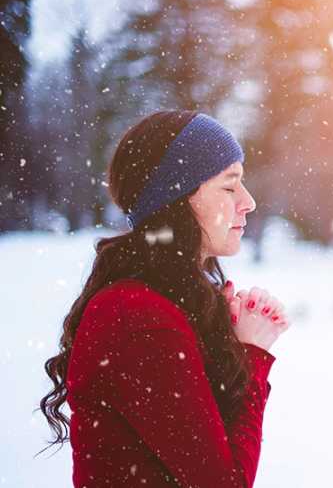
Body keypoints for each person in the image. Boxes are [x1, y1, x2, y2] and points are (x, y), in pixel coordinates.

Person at [38, 110, 291, 487]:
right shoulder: (138, 317)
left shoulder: (165, 304)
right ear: (178, 197)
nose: (248, 201)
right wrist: (253, 356)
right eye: (229, 185)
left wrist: (233, 347)